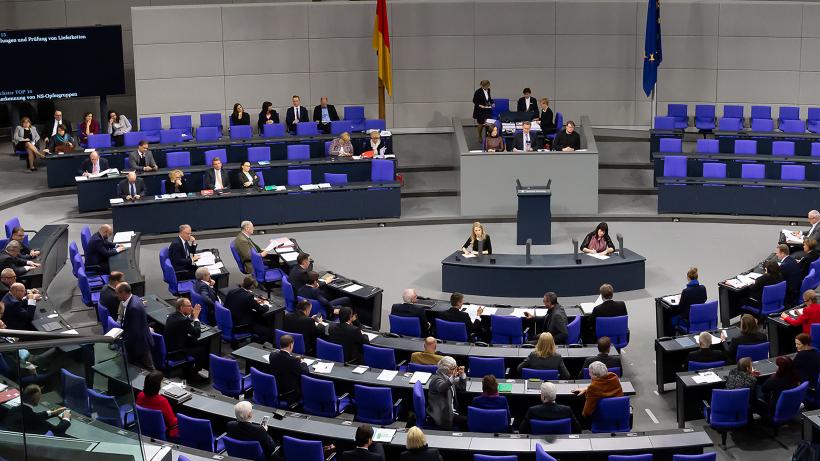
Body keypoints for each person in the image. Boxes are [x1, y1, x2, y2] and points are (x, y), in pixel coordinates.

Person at [164, 297, 207, 373]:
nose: (192, 308)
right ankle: (194, 373)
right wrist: (196, 318)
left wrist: (192, 316)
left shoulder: (171, 316)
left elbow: (184, 322)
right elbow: (197, 333)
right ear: (181, 308)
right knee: (202, 348)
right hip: (177, 353)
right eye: (189, 306)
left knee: (194, 342)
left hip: (169, 348)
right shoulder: (183, 321)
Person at [118, 282, 154, 370]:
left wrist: (124, 343)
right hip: (138, 343)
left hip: (140, 345)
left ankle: (157, 382)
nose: (116, 295)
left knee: (149, 368)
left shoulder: (133, 308)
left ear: (123, 292)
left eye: (117, 292)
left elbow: (135, 332)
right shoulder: (135, 298)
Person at [225, 276, 271, 341]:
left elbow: (226, 305)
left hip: (230, 319)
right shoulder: (248, 297)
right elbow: (262, 310)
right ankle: (256, 343)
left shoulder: (231, 291)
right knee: (267, 331)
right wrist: (266, 304)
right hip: (241, 323)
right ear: (252, 286)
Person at [427, 356, 467, 429]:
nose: (456, 370)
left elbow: (462, 388)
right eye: (453, 368)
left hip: (452, 409)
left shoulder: (449, 377)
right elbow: (441, 388)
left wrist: (462, 375)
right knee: (467, 421)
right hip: (443, 414)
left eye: (456, 367)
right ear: (446, 370)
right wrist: (452, 378)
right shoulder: (437, 379)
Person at [268, 334, 309, 401]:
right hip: (289, 393)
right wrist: (303, 362)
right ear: (291, 345)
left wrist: (294, 359)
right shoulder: (293, 361)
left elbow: (283, 360)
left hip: (275, 388)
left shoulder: (272, 355)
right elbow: (305, 373)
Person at [136, 371, 178, 437]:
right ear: (158, 386)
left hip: (144, 429)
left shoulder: (140, 395)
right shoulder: (162, 401)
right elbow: (172, 422)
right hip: (161, 434)